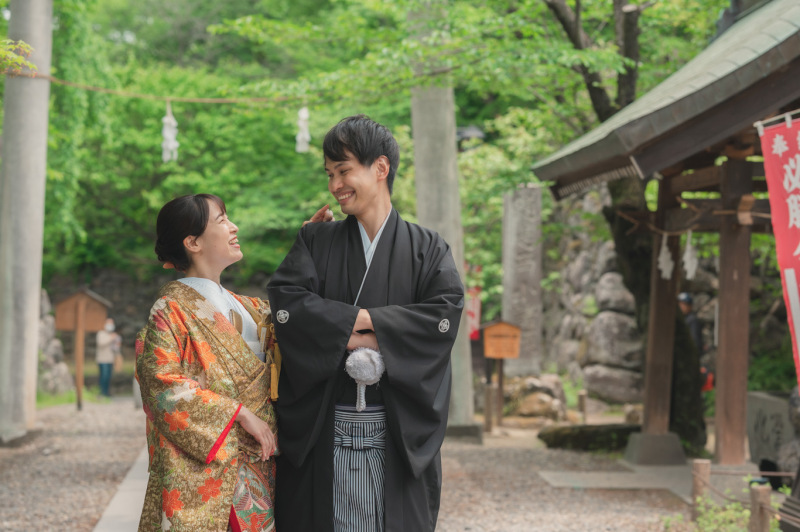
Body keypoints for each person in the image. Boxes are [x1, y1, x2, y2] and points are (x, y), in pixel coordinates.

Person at [267, 115, 465, 531]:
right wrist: (372, 329)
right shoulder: (315, 240)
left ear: (380, 168)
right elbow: (287, 305)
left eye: (343, 171)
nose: (334, 185)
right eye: (329, 174)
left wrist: (352, 325)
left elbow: (443, 315)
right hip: (324, 428)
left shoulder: (428, 248)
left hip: (397, 432)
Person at [135, 194, 331, 532]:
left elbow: (294, 312)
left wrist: (307, 246)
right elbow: (160, 385)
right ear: (193, 242)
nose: (234, 227)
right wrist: (239, 413)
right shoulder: (169, 310)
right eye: (222, 220)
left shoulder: (248, 307)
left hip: (260, 461)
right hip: (207, 466)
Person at [96, 318, 120, 397]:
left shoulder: (113, 334)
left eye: (111, 324)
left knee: (108, 377)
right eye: (109, 323)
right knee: (104, 377)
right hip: (102, 360)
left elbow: (115, 348)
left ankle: (107, 393)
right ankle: (102, 393)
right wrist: (111, 338)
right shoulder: (101, 333)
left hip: (111, 360)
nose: (110, 325)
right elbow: (101, 343)